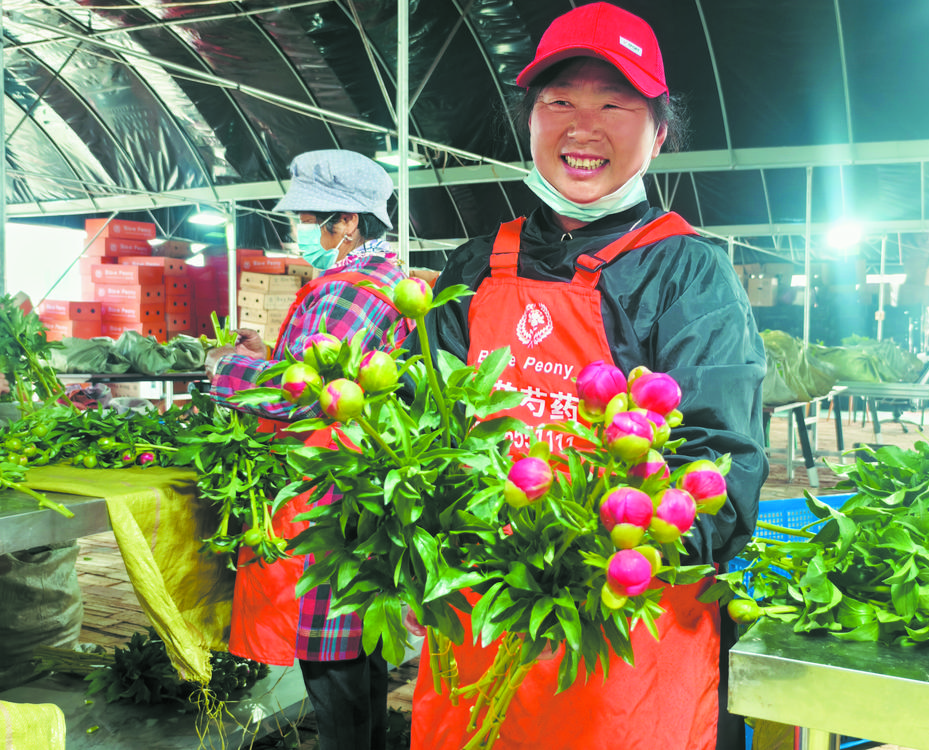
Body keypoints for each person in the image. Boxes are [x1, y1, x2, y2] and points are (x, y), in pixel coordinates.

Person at [405, 4, 768, 750]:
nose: (582, 126)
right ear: (530, 121)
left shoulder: (686, 272)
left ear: (659, 132)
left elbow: (718, 470)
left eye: (615, 104)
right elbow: (423, 433)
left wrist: (594, 562)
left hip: (625, 629)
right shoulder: (474, 266)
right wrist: (416, 551)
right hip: (485, 612)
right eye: (559, 102)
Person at [205, 149, 410, 750]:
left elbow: (301, 394)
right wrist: (266, 350)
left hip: (329, 491)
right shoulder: (388, 282)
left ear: (347, 221)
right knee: (359, 644)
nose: (301, 230)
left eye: (309, 217)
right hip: (364, 480)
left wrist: (228, 365)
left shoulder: (350, 291)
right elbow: (332, 374)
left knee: (331, 652)